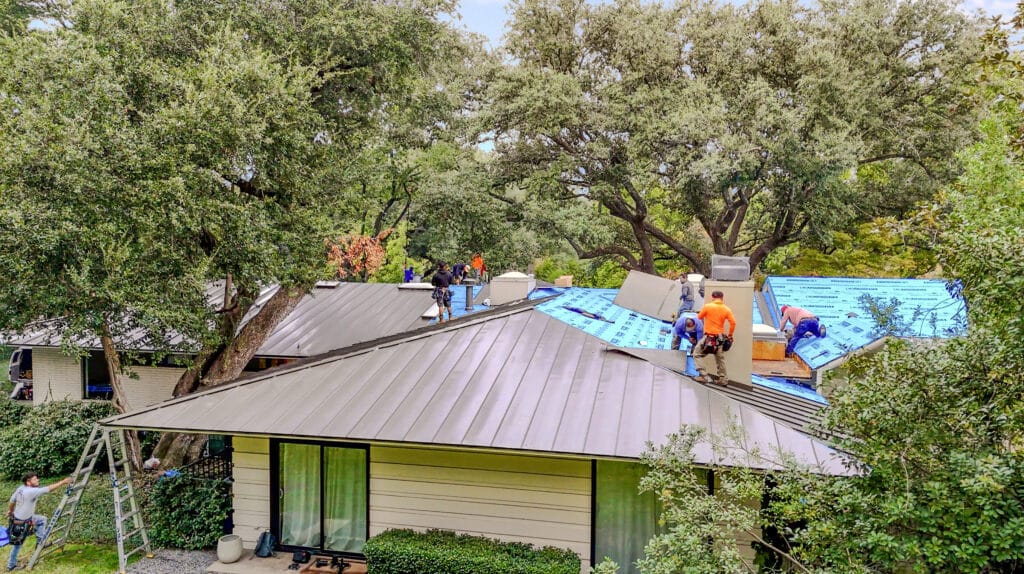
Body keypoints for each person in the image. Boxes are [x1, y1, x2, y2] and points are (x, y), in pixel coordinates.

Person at [7, 473, 72, 571]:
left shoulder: (21, 488)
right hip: (21, 522)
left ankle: (40, 542)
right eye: (35, 479)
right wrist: (63, 482)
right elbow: (49, 489)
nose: (38, 480)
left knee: (42, 519)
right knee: (18, 544)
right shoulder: (31, 491)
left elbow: (12, 501)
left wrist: (10, 511)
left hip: (22, 518)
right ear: (28, 482)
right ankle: (11, 565)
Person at [693, 290, 736, 386]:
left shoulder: (708, 306)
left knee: (696, 354)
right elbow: (733, 323)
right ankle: (723, 379)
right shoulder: (726, 309)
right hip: (720, 338)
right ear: (722, 298)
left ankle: (704, 376)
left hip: (709, 338)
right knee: (720, 359)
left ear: (712, 297)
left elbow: (699, 317)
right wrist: (730, 335)